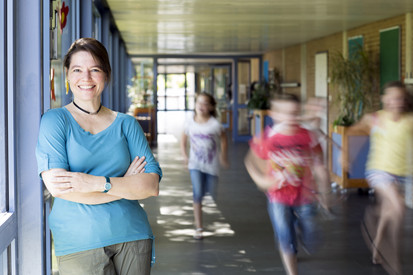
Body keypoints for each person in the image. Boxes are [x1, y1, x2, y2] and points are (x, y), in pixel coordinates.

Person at [36, 38, 162, 275]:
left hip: (133, 234)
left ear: (106, 74)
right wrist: (124, 184)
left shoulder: (127, 124)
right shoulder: (55, 121)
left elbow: (151, 185)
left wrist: (95, 183)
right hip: (79, 240)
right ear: (67, 75)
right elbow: (59, 187)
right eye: (77, 70)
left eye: (95, 69)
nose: (86, 78)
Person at [244, 93, 329, 275]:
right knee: (285, 238)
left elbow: (319, 161)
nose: (291, 118)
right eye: (286, 113)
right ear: (274, 114)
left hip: (305, 195)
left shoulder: (307, 135)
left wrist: (324, 189)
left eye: (295, 113)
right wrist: (262, 180)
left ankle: (300, 230)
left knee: (311, 236)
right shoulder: (268, 137)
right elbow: (251, 160)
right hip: (278, 196)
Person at [348, 81, 413, 275]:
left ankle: (376, 245)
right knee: (399, 208)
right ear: (384, 99)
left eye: (399, 98)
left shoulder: (409, 120)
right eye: (391, 98)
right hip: (379, 171)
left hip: (404, 174)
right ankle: (394, 259)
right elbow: (353, 131)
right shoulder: (375, 118)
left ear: (405, 100)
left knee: (390, 210)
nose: (395, 102)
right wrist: (347, 159)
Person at [180, 92, 229, 240]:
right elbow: (183, 140)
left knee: (210, 193)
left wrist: (223, 155)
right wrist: (185, 156)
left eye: (205, 103)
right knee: (198, 193)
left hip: (211, 165)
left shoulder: (214, 124)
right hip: (195, 164)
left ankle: (201, 209)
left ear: (211, 107)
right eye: (199, 103)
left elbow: (224, 139)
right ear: (195, 105)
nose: (201, 106)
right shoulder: (190, 122)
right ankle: (199, 227)